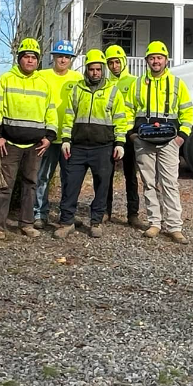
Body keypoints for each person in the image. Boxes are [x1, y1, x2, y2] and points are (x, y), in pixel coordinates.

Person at [0, 38, 58, 241]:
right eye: (27, 56)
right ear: (19, 59)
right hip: (10, 143)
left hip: (35, 145)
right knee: (4, 185)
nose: (30, 60)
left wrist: (49, 137)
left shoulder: (44, 84)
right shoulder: (6, 79)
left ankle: (26, 224)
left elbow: (51, 112)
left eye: (34, 57)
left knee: (30, 183)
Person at [54, 50, 128, 239]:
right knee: (71, 185)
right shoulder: (77, 89)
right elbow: (69, 115)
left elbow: (120, 119)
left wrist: (120, 143)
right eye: (91, 69)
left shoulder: (113, 91)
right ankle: (66, 222)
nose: (95, 73)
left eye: (98, 69)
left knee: (102, 185)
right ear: (86, 69)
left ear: (102, 70)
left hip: (103, 147)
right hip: (77, 146)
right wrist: (66, 140)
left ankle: (96, 221)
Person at [131, 41, 193, 244]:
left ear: (165, 60)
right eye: (152, 58)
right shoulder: (138, 83)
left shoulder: (177, 83)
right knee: (149, 183)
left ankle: (174, 227)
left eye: (159, 57)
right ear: (147, 61)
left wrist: (181, 136)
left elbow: (188, 111)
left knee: (170, 183)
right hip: (143, 140)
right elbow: (126, 110)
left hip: (169, 141)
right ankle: (154, 223)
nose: (156, 61)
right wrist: (131, 134)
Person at [33, 40, 82, 228]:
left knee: (70, 179)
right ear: (53, 57)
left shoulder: (77, 78)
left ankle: (67, 213)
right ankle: (39, 213)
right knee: (43, 176)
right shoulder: (41, 76)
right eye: (60, 56)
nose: (63, 60)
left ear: (71, 59)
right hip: (47, 137)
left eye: (67, 57)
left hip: (70, 138)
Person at [104, 45, 148, 230]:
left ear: (123, 62)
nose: (114, 66)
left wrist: (133, 132)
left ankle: (133, 214)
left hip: (128, 134)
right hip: (108, 134)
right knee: (106, 174)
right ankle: (105, 211)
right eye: (111, 63)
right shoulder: (104, 83)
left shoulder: (134, 82)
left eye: (117, 62)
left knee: (130, 175)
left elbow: (139, 107)